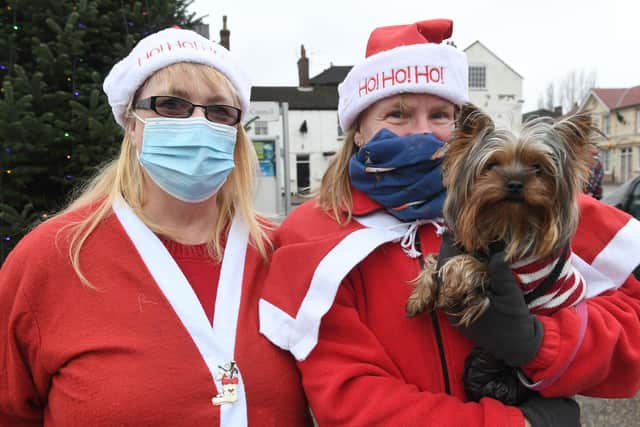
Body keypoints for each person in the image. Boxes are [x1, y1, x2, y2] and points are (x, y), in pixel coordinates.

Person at [258, 19, 640, 426]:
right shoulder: (311, 235)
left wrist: (540, 344)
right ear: (357, 130)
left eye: (440, 115)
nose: (421, 132)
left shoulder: (537, 204)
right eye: (397, 115)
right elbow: (353, 397)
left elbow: (630, 324)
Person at [0, 27, 312, 426]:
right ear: (131, 123)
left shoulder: (282, 253)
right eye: (171, 104)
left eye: (219, 111)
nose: (198, 123)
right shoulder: (54, 257)